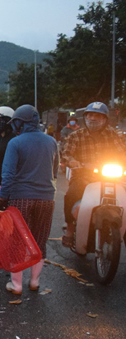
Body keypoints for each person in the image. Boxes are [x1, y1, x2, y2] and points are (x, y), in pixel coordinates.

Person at [0, 105, 59, 294]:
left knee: (18, 241)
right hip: (47, 198)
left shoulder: (16, 143)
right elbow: (55, 171)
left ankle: (16, 285)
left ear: (20, 123)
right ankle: (35, 282)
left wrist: (2, 199)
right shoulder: (51, 142)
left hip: (21, 198)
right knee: (40, 239)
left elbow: (8, 175)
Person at [61, 101, 126, 247]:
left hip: (110, 176)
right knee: (71, 195)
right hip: (83, 176)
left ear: (105, 119)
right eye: (90, 115)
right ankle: (70, 230)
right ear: (85, 118)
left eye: (97, 115)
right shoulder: (76, 136)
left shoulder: (113, 135)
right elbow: (66, 155)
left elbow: (123, 151)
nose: (93, 118)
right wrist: (74, 163)